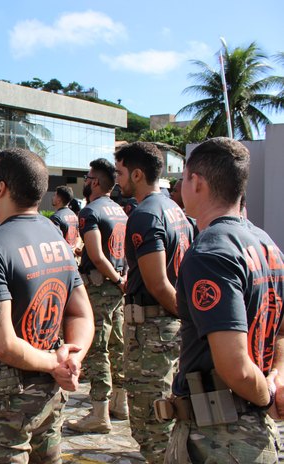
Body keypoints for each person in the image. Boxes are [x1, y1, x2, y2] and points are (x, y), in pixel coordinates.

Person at [0, 148, 94, 462]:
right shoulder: (56, 237)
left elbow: (4, 345)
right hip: (50, 392)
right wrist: (72, 355)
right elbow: (81, 312)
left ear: (1, 188)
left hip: (5, 401)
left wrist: (57, 362)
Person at [166, 138, 283, 462]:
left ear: (196, 182)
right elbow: (280, 330)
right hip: (247, 431)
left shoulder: (210, 253)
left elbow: (234, 367)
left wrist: (266, 395)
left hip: (218, 437)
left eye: (183, 178)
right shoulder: (266, 245)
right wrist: (276, 376)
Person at [114, 141, 195, 463]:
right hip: (167, 324)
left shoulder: (145, 215)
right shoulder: (175, 209)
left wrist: (186, 317)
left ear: (137, 174)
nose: (117, 180)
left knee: (150, 421)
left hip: (153, 328)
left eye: (120, 173)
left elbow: (158, 282)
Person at [66, 159, 128, 433]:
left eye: (88, 177)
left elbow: (96, 254)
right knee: (118, 345)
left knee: (99, 349)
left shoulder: (90, 211)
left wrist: (114, 277)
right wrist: (121, 279)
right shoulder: (119, 211)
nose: (85, 181)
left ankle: (99, 413)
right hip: (117, 287)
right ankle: (120, 403)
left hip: (100, 286)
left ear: (96, 182)